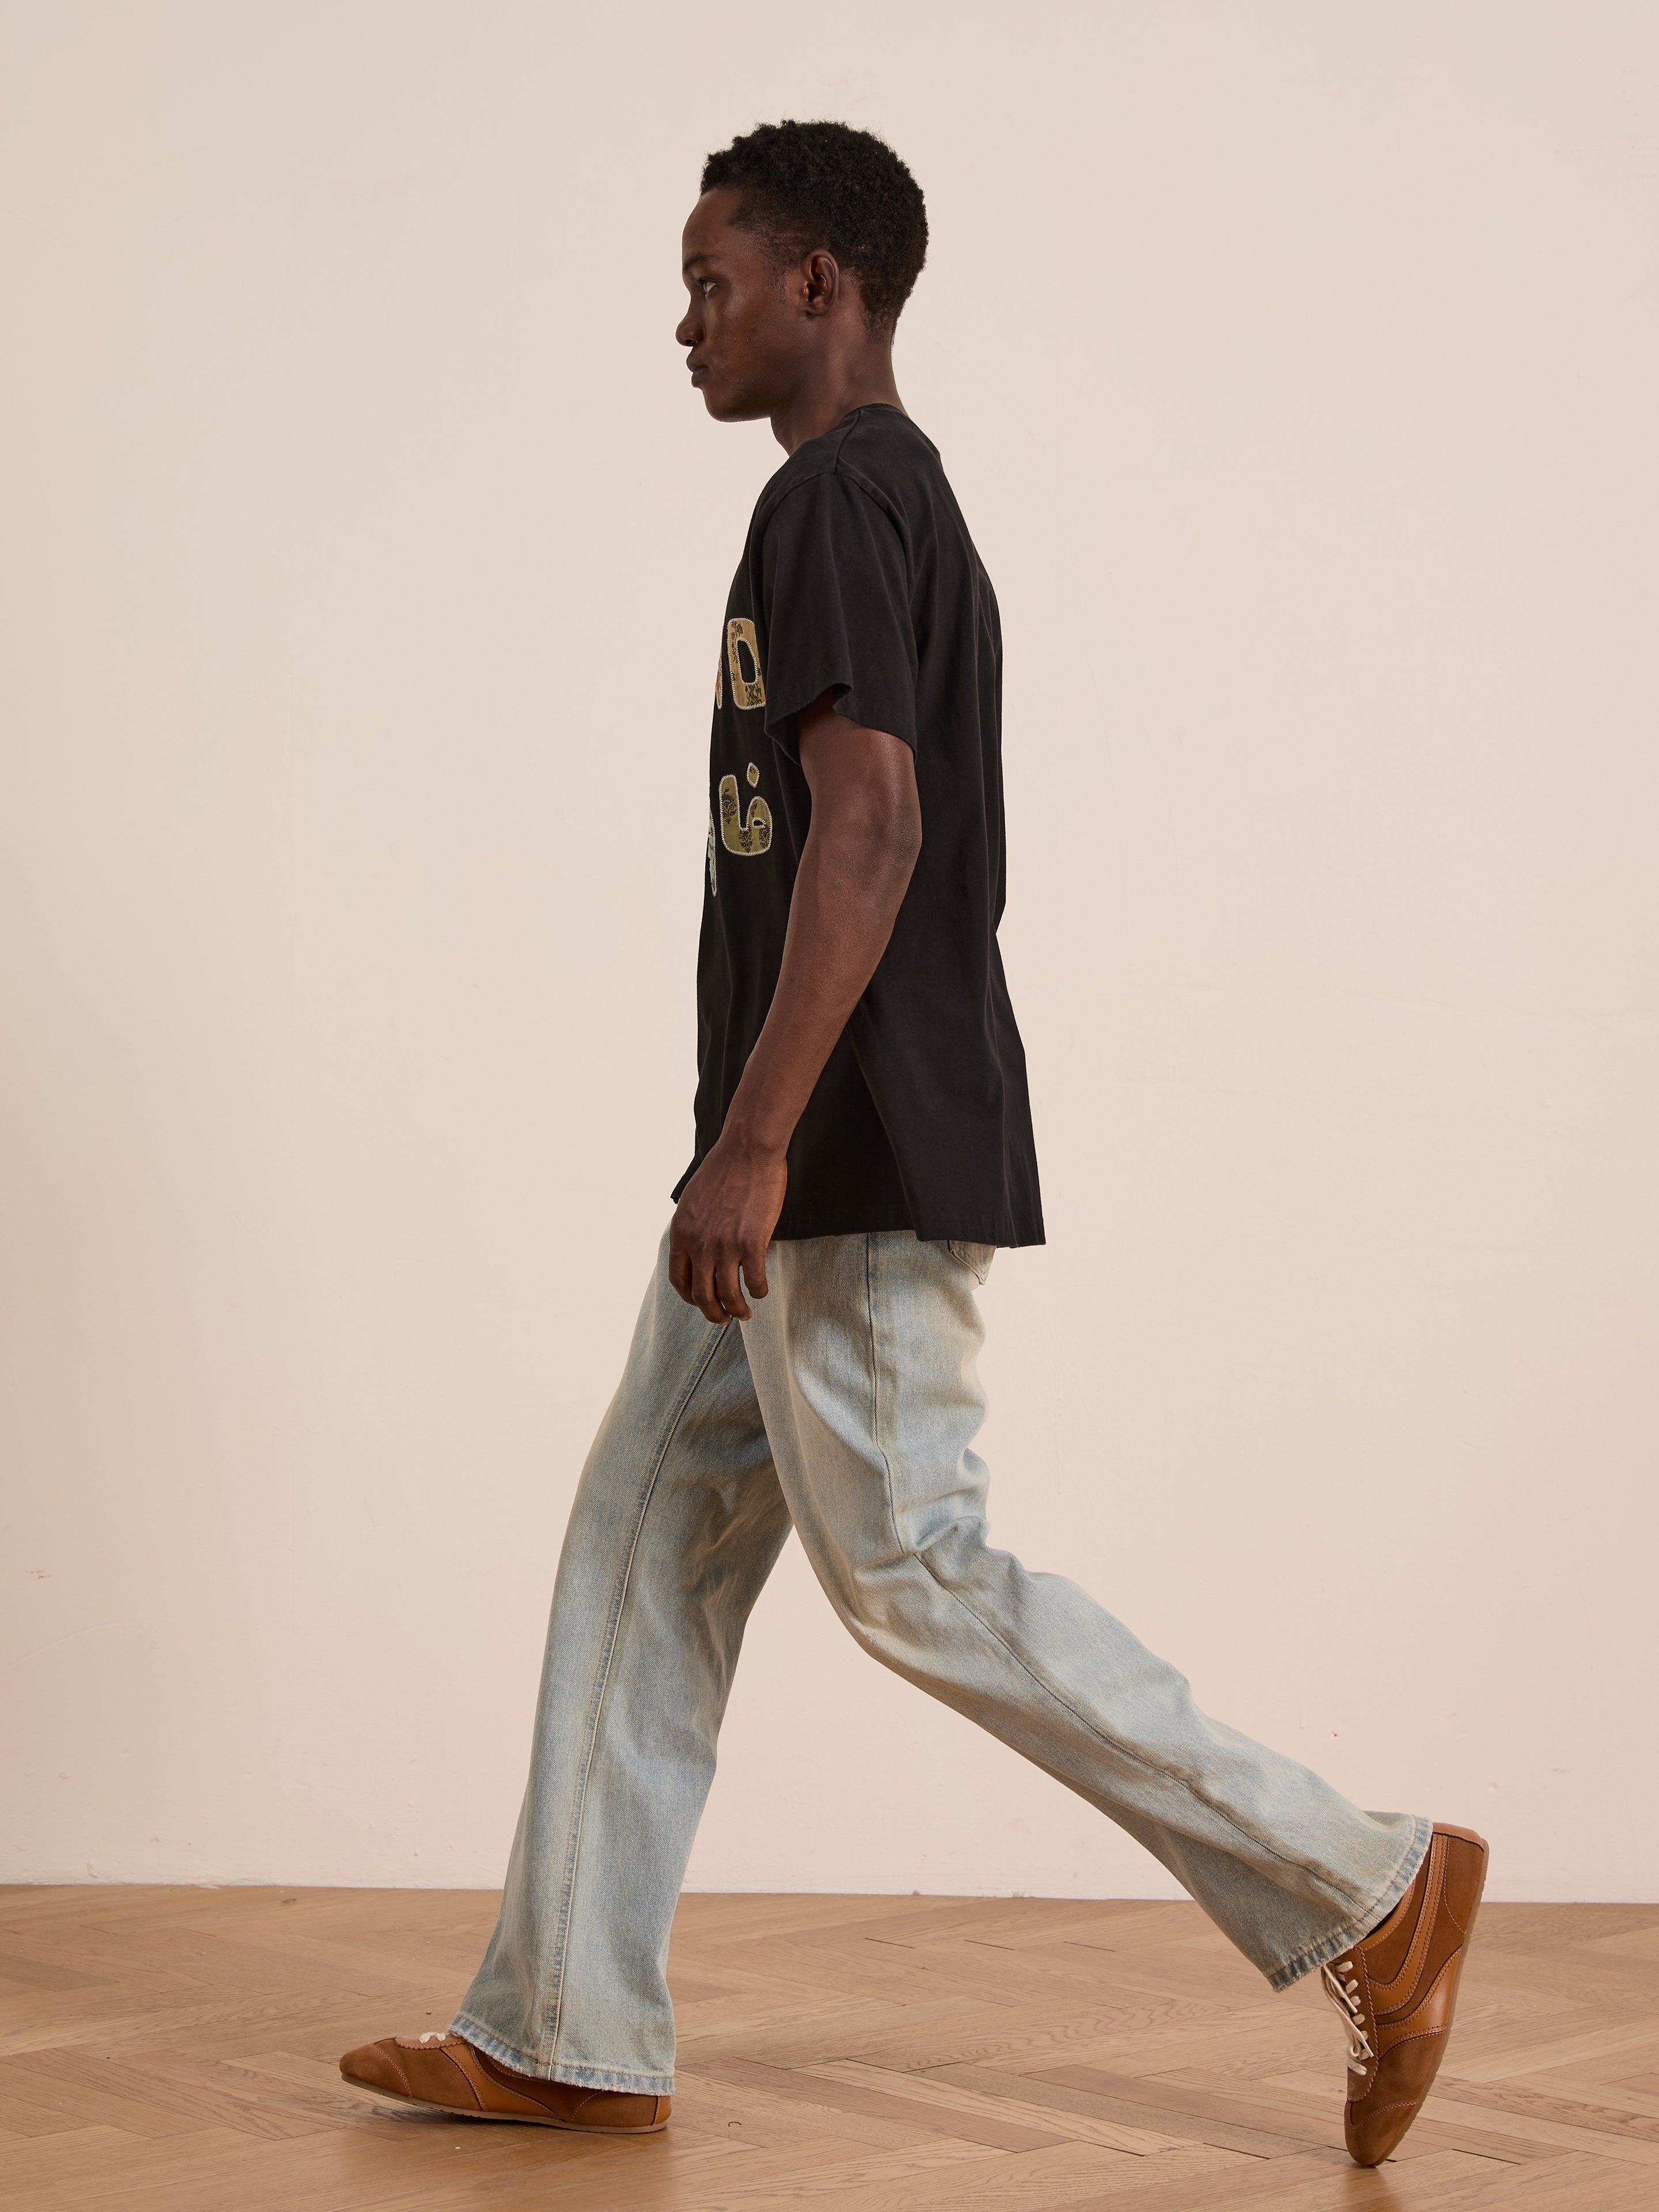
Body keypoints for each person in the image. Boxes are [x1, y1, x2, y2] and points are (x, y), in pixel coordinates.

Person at [340, 119, 1486, 2171]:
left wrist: (755, 1146)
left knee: (919, 1574)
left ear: (823, 288)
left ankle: (1369, 1890)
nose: (683, 319)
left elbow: (867, 833)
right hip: (803, 1149)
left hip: (842, 1154)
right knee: (643, 1537)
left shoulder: (840, 506)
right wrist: (737, 1144)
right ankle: (566, 2021)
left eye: (715, 279)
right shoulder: (872, 504)